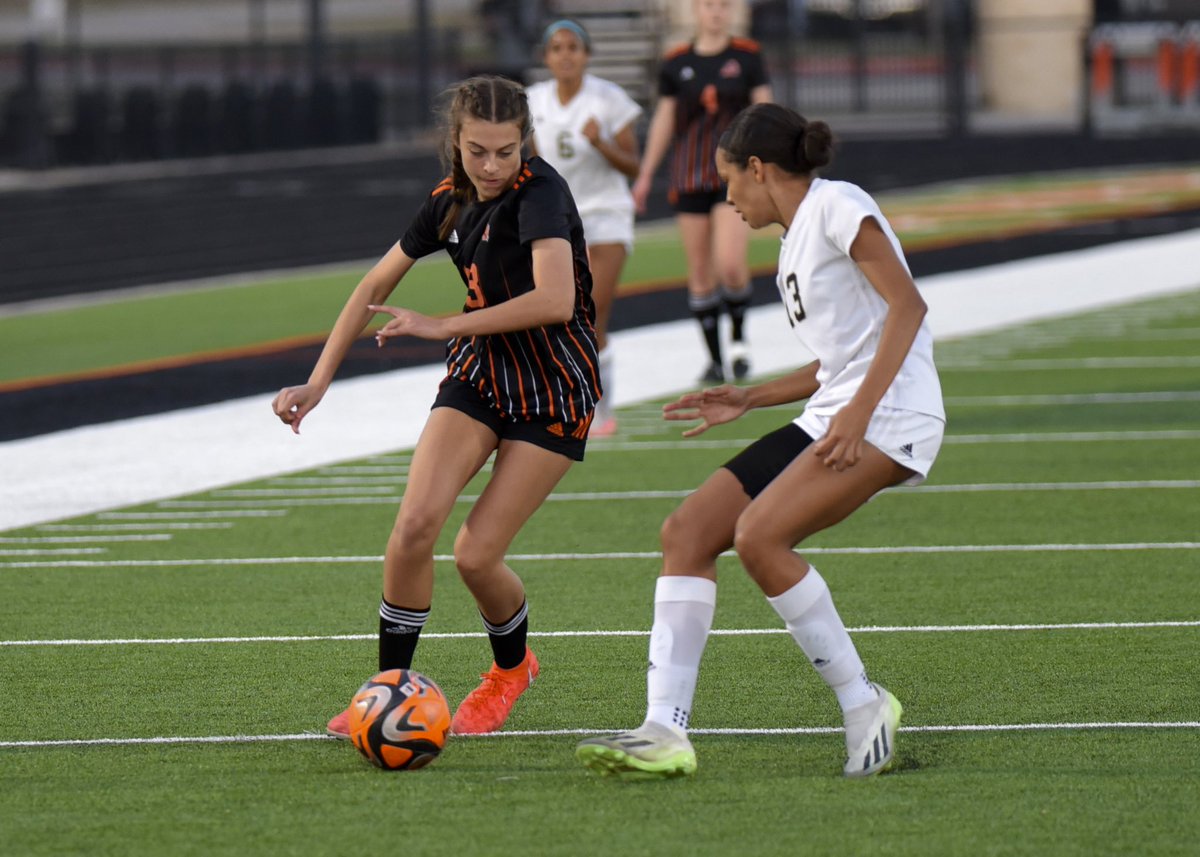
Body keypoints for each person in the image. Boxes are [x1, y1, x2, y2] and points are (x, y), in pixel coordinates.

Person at [576, 103, 946, 779]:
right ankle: (664, 729)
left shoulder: (837, 205)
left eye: (729, 182)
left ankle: (864, 704)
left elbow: (909, 307)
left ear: (758, 168)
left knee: (758, 537)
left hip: (891, 414)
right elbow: (838, 359)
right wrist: (749, 395)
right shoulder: (797, 235)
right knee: (686, 530)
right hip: (838, 409)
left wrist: (859, 414)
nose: (726, 198)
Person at [271, 75, 601, 738]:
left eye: (506, 151)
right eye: (478, 150)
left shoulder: (541, 193)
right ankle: (387, 690)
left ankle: (511, 668)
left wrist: (442, 323)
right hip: (481, 375)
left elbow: (554, 301)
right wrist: (318, 381)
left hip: (553, 385)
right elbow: (371, 285)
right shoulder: (448, 201)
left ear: (523, 145)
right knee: (414, 525)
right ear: (454, 141)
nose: (492, 165)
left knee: (476, 555)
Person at [632, 0, 772, 384]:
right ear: (696, 10)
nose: (716, 12)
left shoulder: (747, 56)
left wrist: (772, 157)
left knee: (729, 262)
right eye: (710, 5)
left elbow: (764, 109)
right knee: (699, 271)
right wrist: (645, 176)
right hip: (689, 176)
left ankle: (740, 340)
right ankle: (714, 360)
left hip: (733, 177)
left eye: (724, 6)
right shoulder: (676, 61)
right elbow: (664, 118)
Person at [526, 19, 642, 437]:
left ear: (586, 55)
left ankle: (602, 407)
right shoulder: (534, 101)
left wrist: (601, 142)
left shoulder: (608, 99)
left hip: (605, 214)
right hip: (560, 218)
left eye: (573, 47)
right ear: (546, 57)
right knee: (555, 310)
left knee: (593, 310)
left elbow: (634, 164)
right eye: (557, 48)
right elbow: (532, 162)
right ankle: (560, 399)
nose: (565, 55)